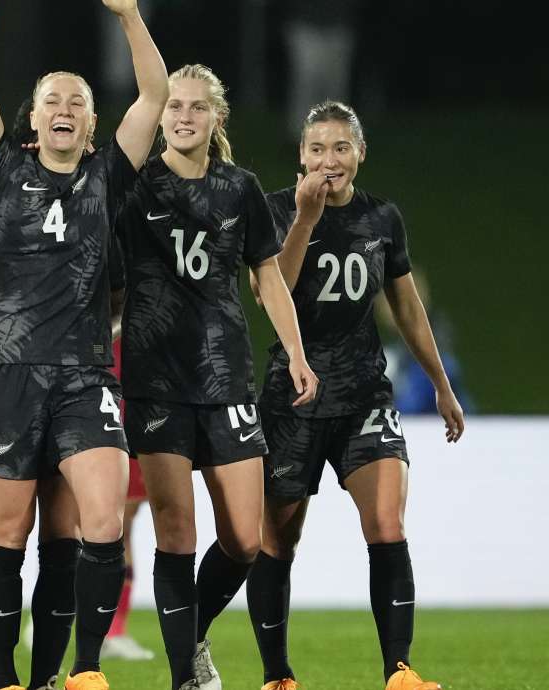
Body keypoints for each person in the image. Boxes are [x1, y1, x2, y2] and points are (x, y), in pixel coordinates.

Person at [0, 1, 169, 689]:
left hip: (83, 376)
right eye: (52, 99)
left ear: (91, 121)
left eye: (77, 101)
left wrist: (130, 14)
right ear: (34, 114)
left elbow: (156, 94)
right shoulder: (0, 169)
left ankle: (80, 671)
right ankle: (3, 678)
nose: (65, 108)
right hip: (10, 375)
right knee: (9, 538)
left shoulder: (108, 176)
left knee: (100, 523)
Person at [246, 100, 465, 690]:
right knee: (277, 539)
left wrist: (442, 385)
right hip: (294, 396)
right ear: (301, 156)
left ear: (360, 154)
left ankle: (399, 671)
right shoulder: (272, 210)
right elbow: (274, 292)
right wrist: (305, 221)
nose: (329, 159)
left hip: (366, 392)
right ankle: (277, 676)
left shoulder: (381, 218)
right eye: (317, 148)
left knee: (388, 526)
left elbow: (407, 309)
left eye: (341, 147)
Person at [115, 64, 318, 690]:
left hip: (226, 377)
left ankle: (191, 633)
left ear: (215, 119)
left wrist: (297, 352)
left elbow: (267, 277)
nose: (182, 116)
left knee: (245, 540)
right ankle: (185, 674)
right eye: (173, 106)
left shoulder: (240, 189)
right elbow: (100, 275)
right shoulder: (134, 188)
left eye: (196, 107)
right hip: (154, 382)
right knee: (176, 533)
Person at [99, 338, 155, 662]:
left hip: (137, 391)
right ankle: (63, 609)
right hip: (99, 388)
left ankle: (115, 628)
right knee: (96, 517)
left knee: (123, 519)